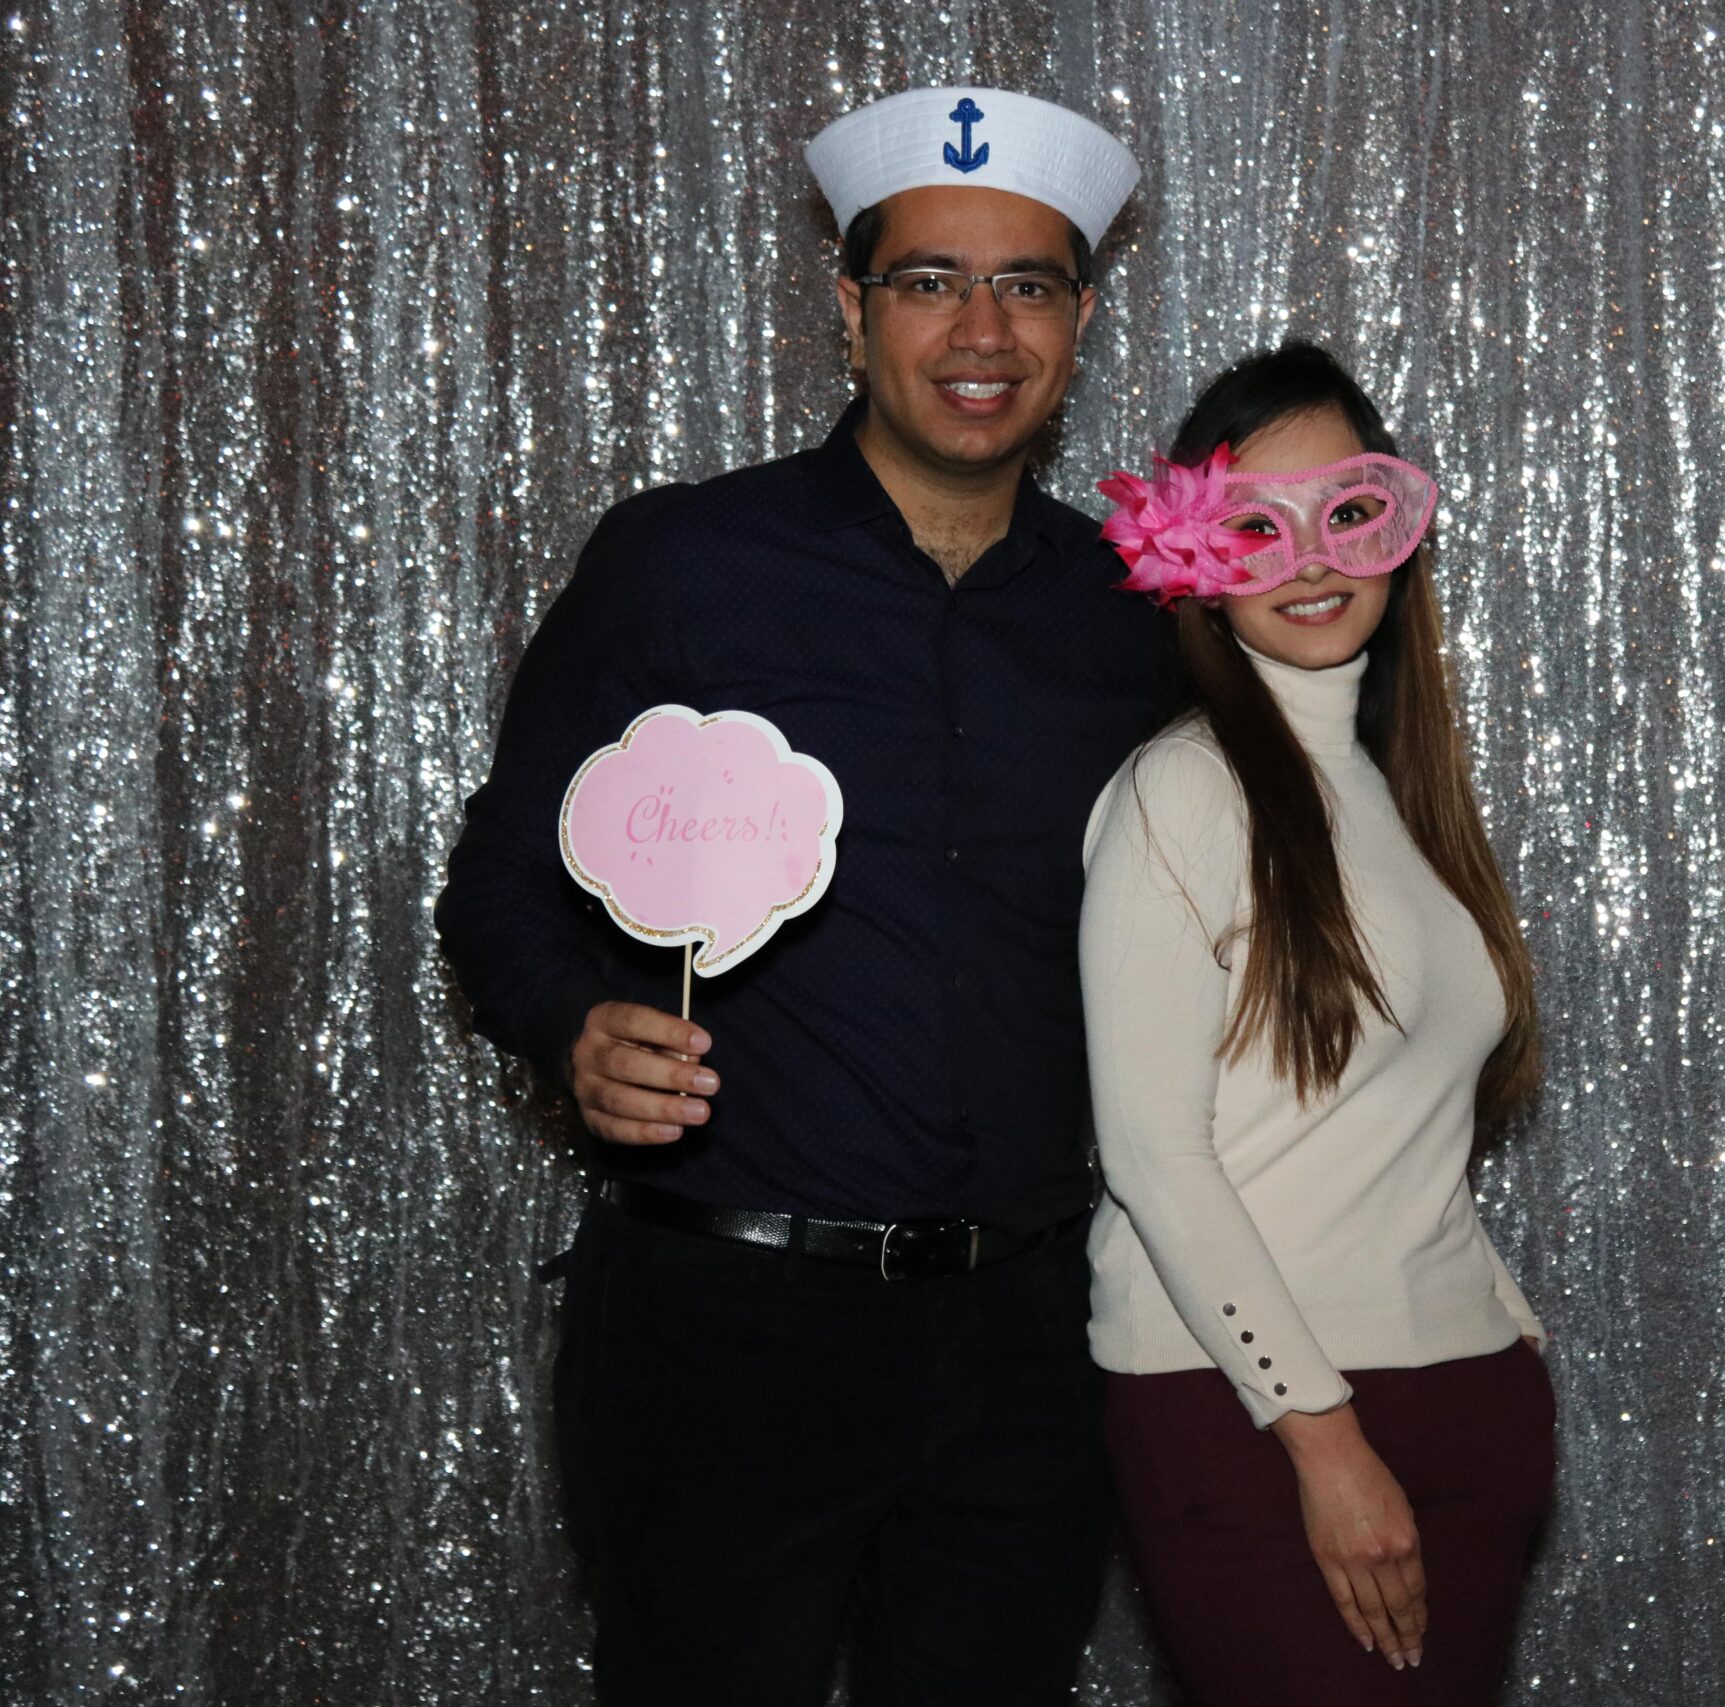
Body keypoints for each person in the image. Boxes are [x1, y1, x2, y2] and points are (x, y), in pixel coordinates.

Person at [433, 86, 1175, 1706]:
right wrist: (574, 1025)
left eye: (1027, 285)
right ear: (851, 308)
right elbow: (500, 878)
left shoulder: (1136, 618)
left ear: (1080, 318)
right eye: (928, 281)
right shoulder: (682, 562)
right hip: (724, 1327)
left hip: (1032, 1341)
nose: (979, 330)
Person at [1079, 343, 1554, 1706]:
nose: (1309, 559)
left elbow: (1409, 1128)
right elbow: (1155, 1156)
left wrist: (1505, 1332)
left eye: (1345, 510)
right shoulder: (1182, 792)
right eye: (1255, 525)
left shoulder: (1399, 792)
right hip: (1262, 1414)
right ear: (1193, 556)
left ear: (1396, 529)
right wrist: (1324, 1437)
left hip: (1455, 1395)